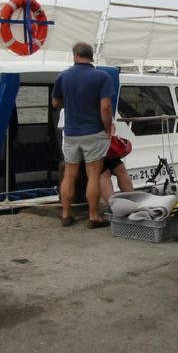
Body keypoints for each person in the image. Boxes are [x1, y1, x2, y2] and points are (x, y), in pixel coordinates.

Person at [52, 42, 115, 228]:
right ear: (91, 56)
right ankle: (94, 216)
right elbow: (105, 107)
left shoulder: (63, 76)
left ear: (75, 55)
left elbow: (56, 103)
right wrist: (108, 128)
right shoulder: (101, 77)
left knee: (69, 175)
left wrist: (70, 102)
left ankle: (65, 215)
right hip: (94, 132)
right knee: (93, 175)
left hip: (71, 133)